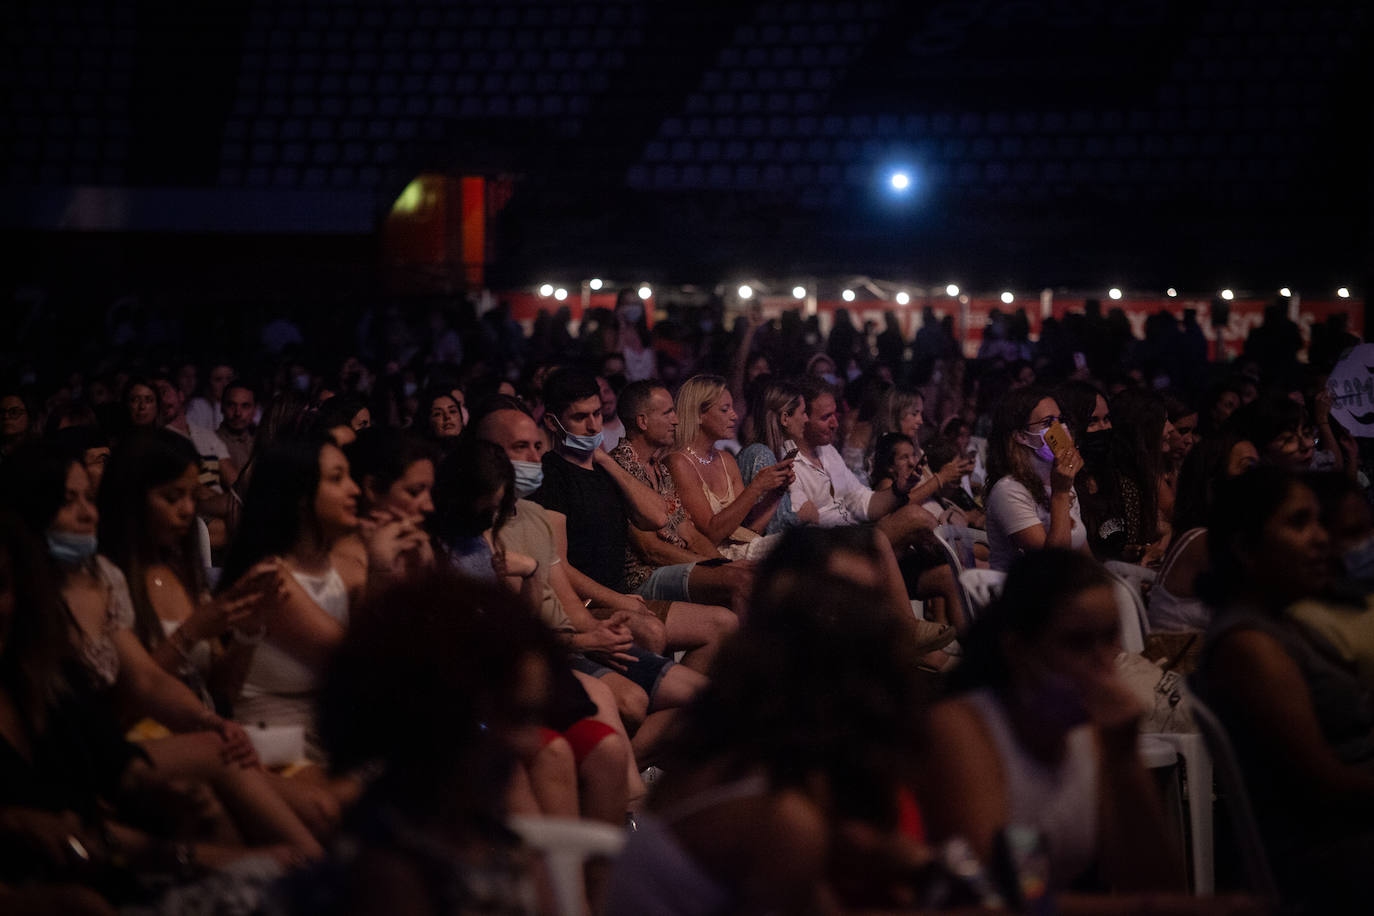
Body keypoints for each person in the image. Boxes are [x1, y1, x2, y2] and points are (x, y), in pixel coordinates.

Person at [605, 527, 937, 915]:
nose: (860, 624)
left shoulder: (789, 737)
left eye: (866, 604)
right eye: (832, 604)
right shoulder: (769, 799)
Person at [268, 573, 562, 916]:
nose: (532, 743)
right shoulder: (384, 867)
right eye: (514, 717)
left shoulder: (486, 834)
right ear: (434, 714)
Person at [920, 549, 1186, 895]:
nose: (1103, 662)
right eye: (1077, 643)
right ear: (1018, 649)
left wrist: (1124, 756)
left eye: (1109, 639)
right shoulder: (965, 730)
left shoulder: (1087, 730)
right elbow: (1014, 895)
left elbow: (1155, 882)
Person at [1195, 468, 1374, 908]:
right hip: (1335, 861)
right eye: (1298, 523)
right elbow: (1325, 785)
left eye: (1318, 521)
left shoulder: (1285, 624)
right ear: (1245, 548)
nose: (1321, 539)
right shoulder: (1249, 646)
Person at [218, 436, 368, 763]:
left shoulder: (346, 566)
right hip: (275, 740)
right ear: (301, 497)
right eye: (337, 478)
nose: (355, 489)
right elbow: (356, 660)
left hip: (326, 731)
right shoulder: (270, 576)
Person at [664, 375, 792, 561]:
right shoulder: (679, 462)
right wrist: (755, 487)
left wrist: (777, 491)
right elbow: (711, 534)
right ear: (699, 415)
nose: (735, 415)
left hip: (744, 548)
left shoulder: (726, 460)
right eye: (725, 409)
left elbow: (749, 528)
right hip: (712, 557)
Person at [983, 387, 1089, 571]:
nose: (1060, 429)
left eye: (1060, 420)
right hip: (1027, 595)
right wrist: (1060, 494)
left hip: (1068, 591)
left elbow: (1084, 557)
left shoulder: (1059, 479)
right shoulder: (1008, 490)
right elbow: (1052, 566)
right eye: (1048, 423)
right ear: (1021, 436)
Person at [735, 379, 806, 535]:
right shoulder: (760, 454)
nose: (806, 419)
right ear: (785, 418)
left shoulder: (775, 452)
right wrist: (803, 515)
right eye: (803, 412)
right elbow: (770, 526)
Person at [216, 381, 258, 478]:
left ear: (255, 410)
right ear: (222, 407)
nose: (238, 413)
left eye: (245, 406)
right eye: (231, 405)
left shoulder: (259, 443)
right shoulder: (211, 443)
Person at [187, 362, 236, 432]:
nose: (225, 384)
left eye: (229, 379)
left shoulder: (242, 407)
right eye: (218, 379)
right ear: (208, 382)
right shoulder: (198, 406)